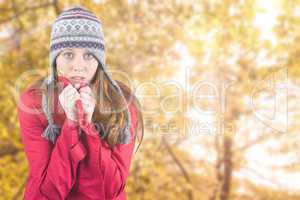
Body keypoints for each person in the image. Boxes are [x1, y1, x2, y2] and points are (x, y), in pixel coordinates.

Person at [17, 5, 143, 200]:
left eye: (89, 55)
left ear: (100, 60)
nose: (78, 66)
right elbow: (46, 193)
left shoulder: (123, 103)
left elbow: (112, 189)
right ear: (55, 59)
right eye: (68, 54)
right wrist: (72, 124)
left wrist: (89, 127)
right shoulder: (35, 102)